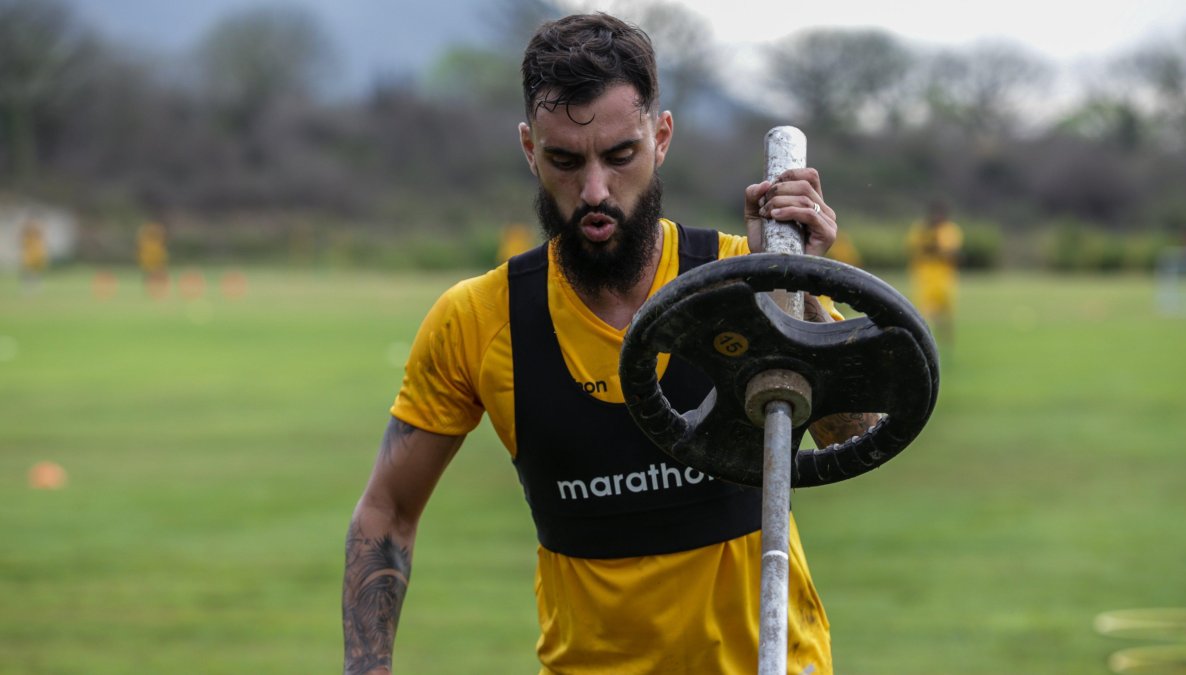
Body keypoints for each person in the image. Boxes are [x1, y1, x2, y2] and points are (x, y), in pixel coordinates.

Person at [343, 13, 872, 675]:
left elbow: (857, 436)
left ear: (662, 136)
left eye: (620, 155)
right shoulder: (479, 319)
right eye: (566, 160)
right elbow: (387, 509)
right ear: (530, 149)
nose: (595, 191)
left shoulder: (745, 274)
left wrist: (791, 292)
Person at [906, 200, 963, 349]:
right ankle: (925, 343)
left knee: (947, 315)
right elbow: (915, 250)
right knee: (925, 314)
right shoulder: (920, 230)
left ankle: (947, 345)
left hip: (945, 278)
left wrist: (936, 248)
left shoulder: (950, 230)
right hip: (925, 278)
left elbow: (951, 253)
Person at [20, 218, 48, 291]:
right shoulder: (26, 233)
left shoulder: (38, 232)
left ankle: (36, 285)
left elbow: (43, 239)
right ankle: (28, 286)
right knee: (28, 270)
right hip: (29, 253)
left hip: (37, 252)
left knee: (37, 270)